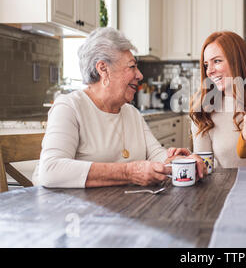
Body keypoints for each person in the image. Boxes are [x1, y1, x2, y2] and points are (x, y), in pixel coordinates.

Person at [33, 27, 206, 188]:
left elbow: (157, 156)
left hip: (124, 208)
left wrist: (183, 160)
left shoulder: (131, 112)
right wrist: (129, 172)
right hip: (80, 214)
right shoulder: (69, 107)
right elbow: (50, 170)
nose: (140, 75)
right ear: (103, 69)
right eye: (132, 66)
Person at [189, 31, 246, 168]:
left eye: (217, 61)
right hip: (227, 187)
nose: (210, 71)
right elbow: (204, 169)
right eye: (206, 65)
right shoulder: (204, 110)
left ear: (237, 61)